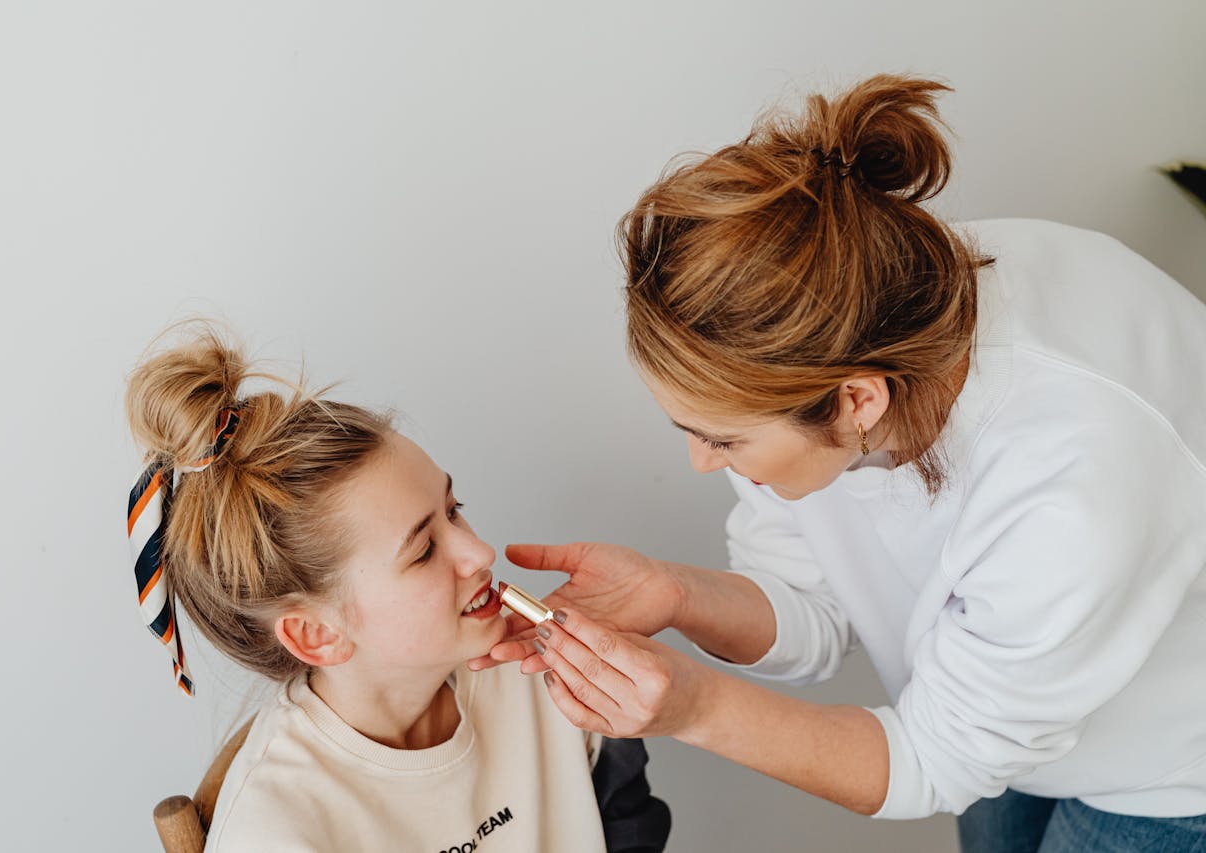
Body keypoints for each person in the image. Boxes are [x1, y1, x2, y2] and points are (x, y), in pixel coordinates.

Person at [473, 74, 1206, 852]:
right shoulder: (827, 321)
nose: (699, 461)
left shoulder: (1069, 482)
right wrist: (677, 592)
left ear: (857, 402)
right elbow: (814, 612)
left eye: (721, 440)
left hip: (1169, 760)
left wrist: (692, 707)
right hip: (1014, 719)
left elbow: (934, 758)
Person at [124, 325, 670, 852]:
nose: (479, 553)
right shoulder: (276, 831)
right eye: (424, 550)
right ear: (315, 634)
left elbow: (630, 827)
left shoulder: (543, 675)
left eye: (454, 511)